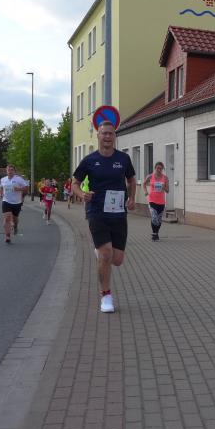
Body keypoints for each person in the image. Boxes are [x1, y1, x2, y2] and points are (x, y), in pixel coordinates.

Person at [72, 120, 136, 314]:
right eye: (104, 133)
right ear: (98, 136)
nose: (107, 136)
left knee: (117, 260)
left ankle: (100, 252)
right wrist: (82, 194)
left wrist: (132, 198)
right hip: (97, 212)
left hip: (118, 213)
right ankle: (106, 296)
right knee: (106, 254)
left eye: (110, 133)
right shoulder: (89, 160)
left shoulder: (123, 159)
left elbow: (131, 179)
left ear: (114, 136)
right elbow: (75, 183)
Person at [0, 164, 29, 243]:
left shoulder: (19, 179)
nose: (10, 171)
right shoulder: (3, 179)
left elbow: (26, 188)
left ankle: (15, 226)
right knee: (7, 218)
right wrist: (0, 193)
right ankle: (7, 236)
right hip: (6, 201)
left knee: (15, 219)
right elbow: (1, 187)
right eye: (8, 170)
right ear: (6, 171)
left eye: (12, 170)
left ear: (14, 171)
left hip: (17, 202)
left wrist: (19, 189)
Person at [143, 162, 169, 241]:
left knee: (159, 219)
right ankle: (154, 234)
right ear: (155, 168)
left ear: (162, 169)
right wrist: (146, 192)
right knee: (154, 217)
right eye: (157, 168)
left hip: (161, 201)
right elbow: (144, 184)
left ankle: (156, 233)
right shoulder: (150, 176)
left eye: (160, 168)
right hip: (152, 200)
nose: (159, 170)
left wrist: (164, 187)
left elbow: (168, 190)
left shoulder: (165, 178)